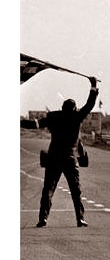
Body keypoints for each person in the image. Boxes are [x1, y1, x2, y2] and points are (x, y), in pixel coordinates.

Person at [21, 76, 99, 227]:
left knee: (48, 189)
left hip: (54, 158)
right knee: (76, 191)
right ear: (74, 109)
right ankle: (80, 218)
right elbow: (90, 104)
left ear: (62, 108)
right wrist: (93, 86)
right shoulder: (76, 117)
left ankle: (42, 218)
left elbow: (34, 124)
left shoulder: (53, 117)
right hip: (69, 159)